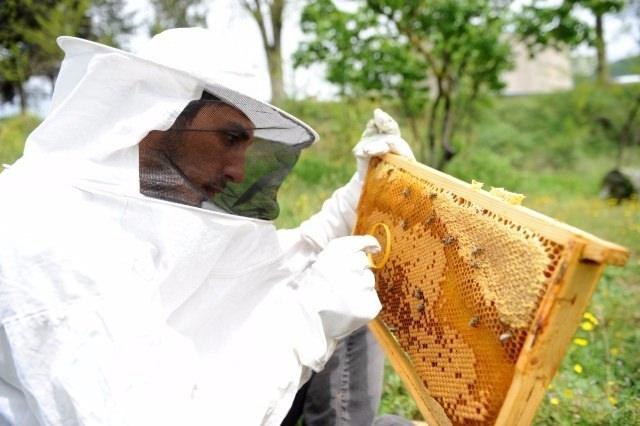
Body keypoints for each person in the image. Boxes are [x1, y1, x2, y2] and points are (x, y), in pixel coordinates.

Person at [0, 28, 414, 425]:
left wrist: (361, 190)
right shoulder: (48, 241)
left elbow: (269, 268)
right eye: (230, 137)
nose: (238, 171)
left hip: (190, 388)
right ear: (158, 115)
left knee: (334, 284)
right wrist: (307, 323)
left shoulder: (118, 208)